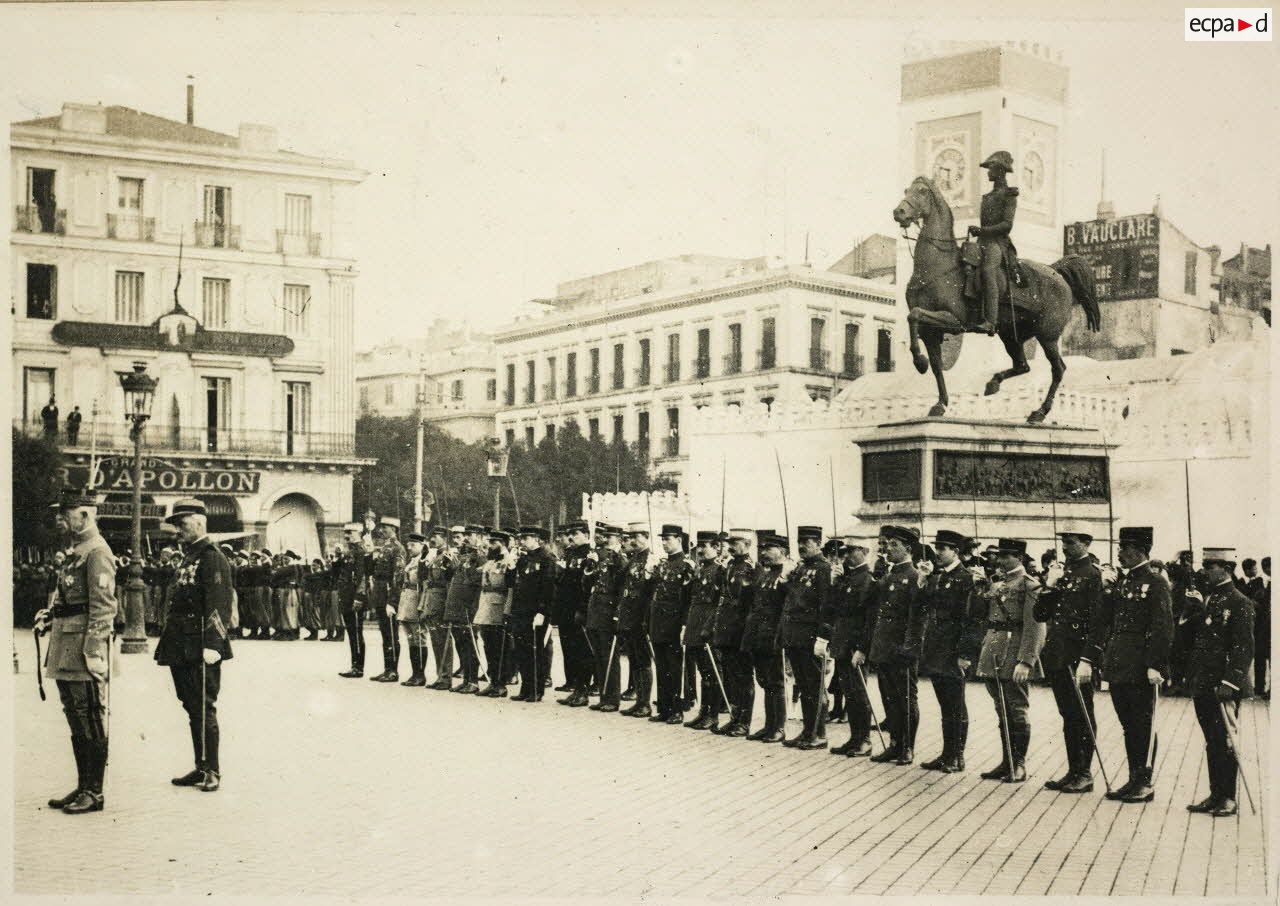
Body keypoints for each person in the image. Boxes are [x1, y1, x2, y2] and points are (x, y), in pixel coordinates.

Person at [34, 489, 117, 814]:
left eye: (66, 513)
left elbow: (103, 606)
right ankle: (83, 785)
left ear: (84, 515)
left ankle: (94, 792)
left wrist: (94, 651)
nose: (60, 518)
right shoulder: (76, 549)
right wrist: (49, 613)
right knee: (74, 716)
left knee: (90, 717)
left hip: (84, 647)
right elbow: (66, 593)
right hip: (66, 642)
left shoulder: (97, 551)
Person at [1079, 526, 1173, 803]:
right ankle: (1133, 778)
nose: (1119, 553)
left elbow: (1163, 627)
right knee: (1128, 724)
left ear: (1138, 551)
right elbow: (1103, 620)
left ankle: (1144, 781)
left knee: (1142, 723)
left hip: (1142, 664)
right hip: (1120, 662)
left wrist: (1155, 664)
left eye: (1123, 548)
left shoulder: (1155, 583)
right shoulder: (1122, 582)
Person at [154, 499, 233, 793]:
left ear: (199, 522)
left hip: (201, 644)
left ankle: (212, 769)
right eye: (176, 525)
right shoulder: (189, 556)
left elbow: (219, 603)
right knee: (191, 706)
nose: (178, 530)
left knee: (204, 707)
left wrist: (214, 643)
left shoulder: (212, 557)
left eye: (182, 524)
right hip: (180, 643)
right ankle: (200, 766)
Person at [1184, 547, 1255, 818]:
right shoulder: (1211, 599)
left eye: (1209, 566)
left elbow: (1243, 647)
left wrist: (1231, 682)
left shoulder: (1239, 601)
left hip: (1224, 684)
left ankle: (1228, 797)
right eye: (1204, 565)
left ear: (1226, 568)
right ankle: (1215, 794)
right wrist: (1191, 612)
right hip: (1204, 681)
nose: (1204, 570)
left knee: (1225, 740)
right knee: (1211, 740)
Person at [1033, 526, 1104, 793]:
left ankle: (1084, 772)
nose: (1065, 547)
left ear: (1086, 543)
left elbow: (1098, 622)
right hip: (1060, 654)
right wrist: (1050, 584)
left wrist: (1088, 658)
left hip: (1079, 656)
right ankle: (1073, 770)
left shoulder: (1093, 575)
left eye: (1071, 543)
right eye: (1063, 542)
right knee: (1068, 714)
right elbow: (1040, 614)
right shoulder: (1062, 574)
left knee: (1082, 713)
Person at [975, 538, 1045, 784]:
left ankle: (1019, 764)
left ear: (1020, 558)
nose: (1001, 560)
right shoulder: (997, 583)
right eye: (999, 555)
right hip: (994, 649)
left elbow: (1035, 626)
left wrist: (1026, 660)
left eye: (1007, 555)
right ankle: (1006, 762)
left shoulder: (1029, 585)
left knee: (1016, 708)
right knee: (1001, 709)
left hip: (1014, 652)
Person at [918, 529, 984, 774]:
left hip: (954, 650)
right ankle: (947, 753)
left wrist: (965, 654)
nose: (937, 553)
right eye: (937, 548)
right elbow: (927, 606)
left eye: (942, 548)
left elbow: (972, 619)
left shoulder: (966, 578)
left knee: (956, 704)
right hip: (937, 649)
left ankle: (957, 756)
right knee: (945, 705)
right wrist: (923, 581)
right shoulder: (938, 577)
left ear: (956, 551)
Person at [865, 525, 926, 765]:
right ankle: (894, 744)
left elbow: (918, 617)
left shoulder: (914, 576)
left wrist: (910, 649)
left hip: (901, 649)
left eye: (894, 545)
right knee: (889, 698)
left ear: (908, 549)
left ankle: (907, 747)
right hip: (884, 648)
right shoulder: (888, 576)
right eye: (887, 544)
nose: (887, 549)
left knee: (906, 699)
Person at [773, 526, 834, 750]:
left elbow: (827, 606)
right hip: (795, 636)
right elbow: (790, 599)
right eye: (800, 542)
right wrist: (784, 579)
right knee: (804, 685)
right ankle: (807, 731)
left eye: (806, 542)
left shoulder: (824, 569)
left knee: (815, 686)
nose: (801, 547)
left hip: (810, 637)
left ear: (818, 543)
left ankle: (819, 733)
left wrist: (823, 637)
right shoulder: (799, 569)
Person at [829, 538, 877, 757]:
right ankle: (854, 737)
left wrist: (861, 648)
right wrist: (835, 583)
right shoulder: (848, 579)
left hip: (854, 646)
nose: (846, 555)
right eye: (845, 551)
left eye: (851, 551)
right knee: (849, 692)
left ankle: (864, 739)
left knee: (858, 693)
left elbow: (868, 619)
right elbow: (835, 608)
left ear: (864, 551)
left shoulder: (866, 579)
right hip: (842, 644)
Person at [966, 149, 1021, 335]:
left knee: (989, 271)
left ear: (1000, 171)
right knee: (963, 263)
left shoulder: (1009, 195)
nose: (988, 172)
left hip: (998, 243)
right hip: (982, 241)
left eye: (991, 168)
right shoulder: (988, 196)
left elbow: (1007, 225)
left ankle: (990, 321)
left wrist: (982, 231)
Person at [741, 532, 789, 743]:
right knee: (765, 681)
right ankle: (769, 725)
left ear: (783, 552)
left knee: (775, 682)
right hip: (758, 636)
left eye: (770, 549)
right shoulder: (764, 575)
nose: (764, 553)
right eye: (763, 549)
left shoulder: (786, 575)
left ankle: (778, 727)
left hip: (774, 637)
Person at [711, 529, 757, 736]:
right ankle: (734, 717)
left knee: (744, 676)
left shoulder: (751, 568)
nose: (731, 546)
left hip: (741, 629)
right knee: (731, 675)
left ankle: (744, 722)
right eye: (730, 542)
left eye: (736, 542)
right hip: (726, 627)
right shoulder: (729, 565)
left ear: (747, 544)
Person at [648, 525, 696, 725]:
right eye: (663, 539)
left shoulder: (687, 565)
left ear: (679, 539)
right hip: (658, 621)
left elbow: (689, 599)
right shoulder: (661, 565)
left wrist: (685, 623)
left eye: (668, 539)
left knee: (675, 666)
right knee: (661, 665)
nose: (664, 542)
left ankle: (677, 708)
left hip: (675, 622)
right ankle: (664, 707)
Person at [683, 530, 728, 730]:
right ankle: (703, 711)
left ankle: (713, 715)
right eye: (698, 546)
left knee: (711, 671)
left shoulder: (720, 571)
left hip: (708, 626)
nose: (700, 550)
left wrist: (710, 627)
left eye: (705, 546)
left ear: (716, 548)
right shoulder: (700, 569)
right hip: (695, 623)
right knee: (703, 672)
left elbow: (720, 602)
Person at [584, 523, 627, 712]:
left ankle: (612, 697)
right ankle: (603, 695)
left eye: (610, 536)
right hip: (596, 609)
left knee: (609, 654)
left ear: (619, 540)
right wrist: (590, 566)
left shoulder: (620, 560)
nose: (606, 539)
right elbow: (588, 584)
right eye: (605, 536)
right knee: (599, 655)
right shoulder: (601, 557)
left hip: (609, 611)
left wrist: (618, 614)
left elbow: (620, 589)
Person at [510, 526, 556, 702]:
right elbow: (513, 584)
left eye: (526, 538)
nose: (522, 541)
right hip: (521, 610)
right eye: (521, 538)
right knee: (521, 650)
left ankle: (537, 689)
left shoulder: (546, 558)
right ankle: (525, 688)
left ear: (537, 539)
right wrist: (511, 567)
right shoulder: (523, 559)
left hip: (536, 611)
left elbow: (548, 587)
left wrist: (542, 611)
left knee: (536, 651)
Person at [617, 524, 656, 718]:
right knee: (634, 659)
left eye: (637, 536)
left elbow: (651, 593)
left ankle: (645, 703)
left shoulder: (652, 559)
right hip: (630, 616)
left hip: (642, 617)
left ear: (646, 537)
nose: (632, 540)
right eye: (630, 537)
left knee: (643, 659)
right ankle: (639, 701)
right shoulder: (633, 559)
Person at [553, 522, 594, 706]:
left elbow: (588, 586)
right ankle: (575, 689)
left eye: (575, 533)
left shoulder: (589, 555)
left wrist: (582, 609)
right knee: (570, 650)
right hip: (566, 609)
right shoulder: (569, 554)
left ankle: (583, 690)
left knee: (582, 651)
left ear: (586, 534)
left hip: (579, 609)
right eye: (569, 534)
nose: (571, 537)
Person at [444, 525, 486, 694]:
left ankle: (473, 681)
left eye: (470, 535)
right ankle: (466, 678)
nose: (467, 538)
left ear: (479, 537)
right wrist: (451, 566)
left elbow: (476, 583)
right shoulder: (462, 556)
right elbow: (451, 578)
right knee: (460, 643)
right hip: (456, 606)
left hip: (469, 607)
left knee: (470, 643)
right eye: (466, 535)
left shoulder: (480, 558)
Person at [476, 530, 515, 697]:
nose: (490, 545)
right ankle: (493, 681)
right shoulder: (490, 561)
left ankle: (501, 683)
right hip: (486, 607)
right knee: (488, 645)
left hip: (499, 607)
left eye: (494, 543)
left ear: (503, 544)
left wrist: (507, 609)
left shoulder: (510, 561)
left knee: (500, 647)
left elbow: (512, 588)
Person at [367, 516, 405, 682]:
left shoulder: (397, 549)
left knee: (391, 634)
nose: (382, 530)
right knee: (385, 634)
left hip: (389, 594)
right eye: (382, 527)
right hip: (380, 593)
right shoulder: (383, 547)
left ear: (394, 529)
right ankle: (387, 668)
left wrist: (392, 601)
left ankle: (393, 671)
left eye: (386, 527)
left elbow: (398, 576)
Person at [420, 526, 455, 689]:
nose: (432, 539)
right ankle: (440, 675)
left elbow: (450, 580)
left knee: (443, 639)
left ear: (445, 539)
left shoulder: (449, 556)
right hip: (432, 601)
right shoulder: (434, 556)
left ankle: (446, 677)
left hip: (442, 601)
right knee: (436, 639)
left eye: (436, 536)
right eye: (432, 535)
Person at [335, 525, 369, 676]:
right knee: (351, 632)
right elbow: (337, 573)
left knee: (356, 631)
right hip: (346, 596)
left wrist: (359, 597)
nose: (346, 535)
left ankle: (358, 667)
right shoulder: (349, 552)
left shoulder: (361, 551)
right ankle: (354, 665)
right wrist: (337, 558)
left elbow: (363, 576)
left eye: (350, 533)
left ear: (359, 534)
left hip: (354, 597)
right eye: (345, 533)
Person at [396, 533, 428, 685]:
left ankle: (420, 675)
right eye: (408, 545)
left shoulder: (424, 561)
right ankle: (415, 674)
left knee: (419, 637)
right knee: (411, 639)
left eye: (413, 545)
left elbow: (423, 585)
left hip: (416, 601)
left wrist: (422, 605)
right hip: (407, 601)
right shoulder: (411, 561)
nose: (409, 548)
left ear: (422, 545)